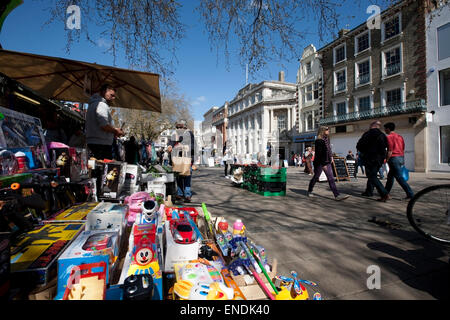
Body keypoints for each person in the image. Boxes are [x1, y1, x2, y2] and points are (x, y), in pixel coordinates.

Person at [307, 126, 350, 201]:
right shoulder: (319, 141)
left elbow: (329, 150)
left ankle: (337, 195)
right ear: (323, 131)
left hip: (327, 161)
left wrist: (331, 157)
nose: (328, 130)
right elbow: (319, 154)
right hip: (320, 162)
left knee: (330, 178)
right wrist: (323, 164)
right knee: (316, 177)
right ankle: (310, 190)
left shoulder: (327, 139)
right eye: (327, 129)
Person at [85, 84, 124, 160]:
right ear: (103, 92)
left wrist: (114, 130)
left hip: (95, 142)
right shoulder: (101, 105)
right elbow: (104, 125)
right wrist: (116, 131)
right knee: (101, 168)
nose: (113, 98)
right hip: (100, 145)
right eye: (111, 95)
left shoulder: (93, 104)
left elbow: (101, 124)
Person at [356, 120, 389, 201]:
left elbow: (359, 146)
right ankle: (369, 191)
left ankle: (384, 193)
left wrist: (364, 152)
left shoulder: (367, 134)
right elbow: (385, 147)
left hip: (369, 158)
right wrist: (383, 157)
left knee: (372, 176)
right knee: (372, 175)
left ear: (372, 126)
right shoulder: (382, 135)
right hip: (379, 159)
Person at [383, 122, 414, 200]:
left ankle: (410, 194)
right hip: (400, 157)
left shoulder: (389, 137)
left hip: (393, 158)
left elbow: (390, 150)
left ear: (388, 129)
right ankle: (385, 192)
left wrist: (386, 159)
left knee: (399, 177)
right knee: (390, 177)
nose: (384, 130)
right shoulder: (400, 137)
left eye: (385, 129)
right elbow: (403, 147)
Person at [169, 119, 195, 203]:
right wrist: (169, 146)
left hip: (187, 158)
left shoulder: (189, 133)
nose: (178, 128)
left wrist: (183, 147)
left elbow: (192, 146)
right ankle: (180, 194)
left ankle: (187, 195)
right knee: (179, 176)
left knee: (187, 175)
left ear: (184, 127)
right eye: (177, 127)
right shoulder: (175, 133)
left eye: (180, 127)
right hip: (177, 159)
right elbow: (171, 142)